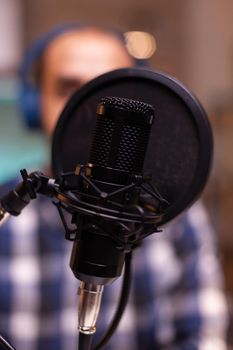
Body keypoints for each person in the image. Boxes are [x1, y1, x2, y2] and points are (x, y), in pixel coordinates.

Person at [0, 24, 228, 350]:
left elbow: (203, 338)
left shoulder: (177, 216)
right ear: (35, 106)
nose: (94, 110)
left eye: (109, 93)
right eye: (69, 88)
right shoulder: (5, 212)